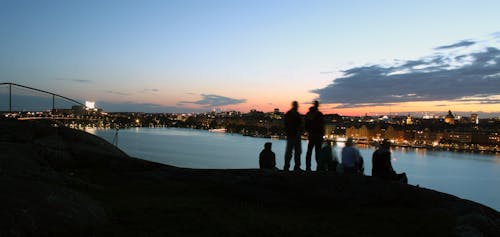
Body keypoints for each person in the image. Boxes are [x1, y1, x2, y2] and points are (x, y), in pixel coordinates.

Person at [305, 100, 324, 171]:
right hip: (318, 136)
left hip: (312, 135)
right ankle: (319, 167)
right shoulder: (319, 114)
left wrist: (309, 131)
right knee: (317, 152)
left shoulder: (309, 114)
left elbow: (306, 124)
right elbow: (322, 126)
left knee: (309, 152)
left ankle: (308, 167)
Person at [284, 101, 302, 171]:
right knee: (295, 152)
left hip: (292, 135)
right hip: (293, 135)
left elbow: (286, 124)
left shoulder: (289, 114)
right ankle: (295, 167)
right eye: (297, 106)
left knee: (291, 152)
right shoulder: (294, 114)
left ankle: (287, 166)